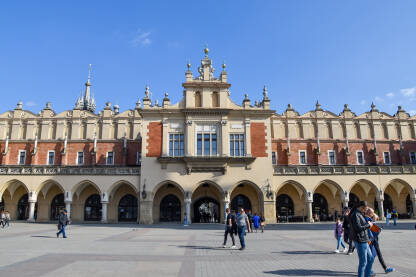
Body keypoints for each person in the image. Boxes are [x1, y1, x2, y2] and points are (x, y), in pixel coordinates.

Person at [365, 208, 395, 274]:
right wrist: (374, 221)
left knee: (378, 254)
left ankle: (385, 268)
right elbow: (373, 229)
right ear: (369, 213)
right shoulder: (366, 219)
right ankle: (368, 270)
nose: (373, 214)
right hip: (370, 240)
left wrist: (374, 220)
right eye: (372, 213)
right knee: (371, 256)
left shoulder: (369, 218)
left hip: (374, 240)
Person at [350, 201, 374, 277]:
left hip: (365, 240)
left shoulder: (360, 214)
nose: (366, 211)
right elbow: (358, 228)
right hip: (360, 240)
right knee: (363, 262)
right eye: (365, 209)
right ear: (361, 207)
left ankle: (367, 275)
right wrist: (368, 225)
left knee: (370, 259)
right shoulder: (355, 215)